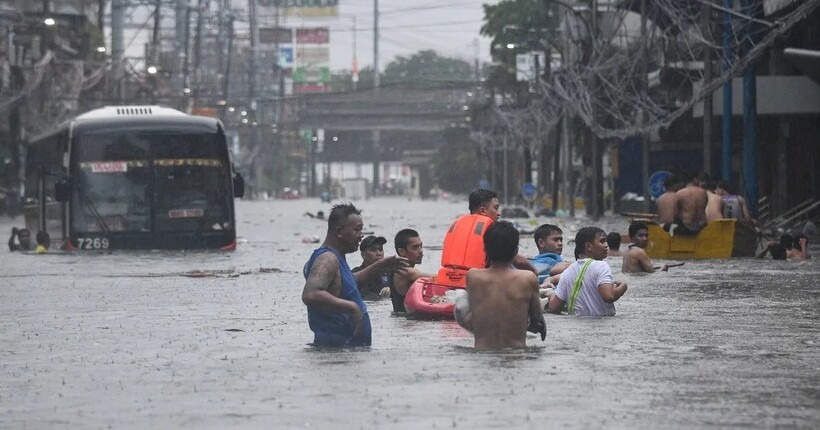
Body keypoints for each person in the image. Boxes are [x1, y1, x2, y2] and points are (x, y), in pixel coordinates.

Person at [301, 203, 407, 347]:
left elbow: (347, 283)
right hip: (336, 351)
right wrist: (352, 307)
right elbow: (311, 294)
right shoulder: (328, 258)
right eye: (357, 230)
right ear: (339, 231)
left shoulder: (335, 258)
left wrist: (379, 266)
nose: (361, 235)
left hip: (348, 351)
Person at [460, 221, 545, 349]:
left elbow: (470, 320)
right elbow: (536, 320)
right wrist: (532, 269)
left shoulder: (473, 277)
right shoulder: (528, 279)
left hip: (481, 357)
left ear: (485, 249)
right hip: (516, 355)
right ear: (516, 251)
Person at [438, 189, 537, 287]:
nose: (499, 213)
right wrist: (535, 273)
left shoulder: (457, 223)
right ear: (482, 210)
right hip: (476, 284)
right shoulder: (491, 229)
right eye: (495, 208)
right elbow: (516, 260)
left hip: (446, 280)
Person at [547, 227, 627, 316]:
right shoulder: (601, 266)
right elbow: (609, 296)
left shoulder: (567, 272)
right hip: (602, 326)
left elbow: (554, 308)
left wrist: (551, 295)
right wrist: (623, 286)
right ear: (588, 246)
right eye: (602, 241)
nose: (606, 245)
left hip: (575, 326)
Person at [389, 229, 433, 313]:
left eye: (421, 246)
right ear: (401, 251)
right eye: (415, 247)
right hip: (408, 321)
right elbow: (436, 279)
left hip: (400, 320)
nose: (421, 250)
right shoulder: (407, 271)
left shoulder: (398, 270)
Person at [351, 235, 392, 300]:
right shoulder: (356, 273)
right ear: (363, 255)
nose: (379, 253)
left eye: (380, 249)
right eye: (373, 250)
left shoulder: (390, 271)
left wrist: (392, 290)